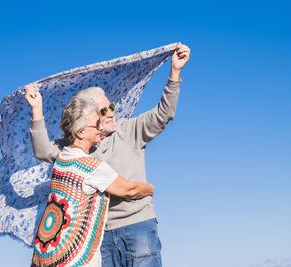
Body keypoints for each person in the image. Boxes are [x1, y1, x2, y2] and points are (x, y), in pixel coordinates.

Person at [27, 43, 191, 266]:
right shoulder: (76, 150)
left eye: (111, 106)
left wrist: (175, 73)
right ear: (87, 121)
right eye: (103, 110)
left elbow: (163, 114)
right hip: (100, 235)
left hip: (138, 225)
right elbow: (43, 150)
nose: (111, 112)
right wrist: (37, 109)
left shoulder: (128, 130)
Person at [27, 95, 154, 266]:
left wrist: (37, 109)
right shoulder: (90, 167)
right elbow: (130, 190)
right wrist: (151, 189)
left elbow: (42, 150)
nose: (101, 126)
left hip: (51, 254)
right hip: (76, 259)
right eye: (96, 123)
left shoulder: (62, 159)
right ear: (80, 132)